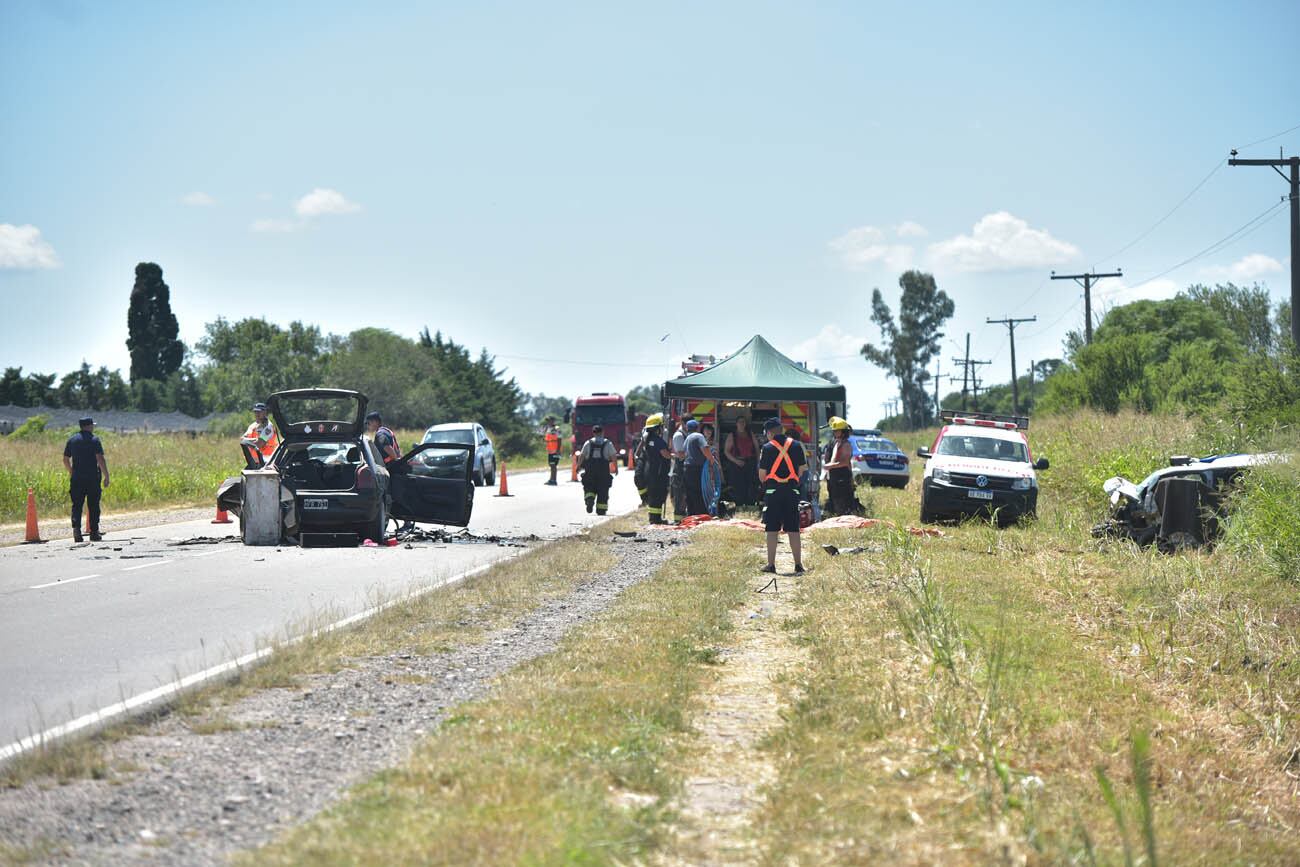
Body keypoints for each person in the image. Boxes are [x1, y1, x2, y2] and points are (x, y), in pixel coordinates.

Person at [758, 417, 807, 574]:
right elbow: (802, 470)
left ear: (770, 433)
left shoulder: (767, 448)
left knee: (772, 528)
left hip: (773, 492)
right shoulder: (797, 445)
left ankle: (771, 565)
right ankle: (798, 565)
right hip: (792, 491)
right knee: (793, 529)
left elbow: (762, 474)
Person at [63, 416, 110, 542]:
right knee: (93, 505)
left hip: (77, 478)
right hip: (92, 478)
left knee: (77, 505)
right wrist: (106, 476)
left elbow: (65, 459)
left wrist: (71, 471)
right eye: (92, 425)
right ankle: (94, 533)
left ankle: (76, 530)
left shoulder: (72, 440)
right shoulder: (94, 440)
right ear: (88, 426)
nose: (93, 427)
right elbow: (100, 458)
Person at [822, 416, 864, 516]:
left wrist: (830, 466)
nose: (835, 433)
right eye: (834, 431)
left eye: (837, 431)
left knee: (844, 502)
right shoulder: (835, 442)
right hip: (834, 477)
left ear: (843, 431)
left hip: (842, 478)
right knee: (834, 499)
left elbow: (844, 462)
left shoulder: (846, 445)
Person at [639, 414, 673, 524]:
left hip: (650, 471)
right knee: (658, 495)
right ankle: (656, 519)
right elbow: (666, 455)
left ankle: (653, 518)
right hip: (659, 472)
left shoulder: (647, 440)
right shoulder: (658, 441)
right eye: (661, 427)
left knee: (653, 495)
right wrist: (674, 455)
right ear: (657, 428)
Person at [579, 424, 619, 515]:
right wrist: (616, 468)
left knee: (589, 487)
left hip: (590, 471)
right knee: (603, 490)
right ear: (602, 432)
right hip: (603, 472)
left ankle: (590, 499)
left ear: (593, 433)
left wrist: (578, 466)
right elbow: (613, 456)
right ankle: (601, 509)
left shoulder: (588, 443)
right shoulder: (608, 443)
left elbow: (582, 456)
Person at [682, 419, 717, 516]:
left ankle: (691, 514)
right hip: (697, 469)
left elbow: (683, 453)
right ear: (697, 428)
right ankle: (701, 515)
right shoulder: (699, 436)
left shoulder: (687, 438)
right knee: (699, 492)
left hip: (687, 469)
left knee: (690, 493)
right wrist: (711, 459)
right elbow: (705, 448)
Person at [723, 415, 760, 505]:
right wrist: (736, 461)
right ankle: (739, 506)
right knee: (738, 487)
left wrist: (758, 463)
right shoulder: (732, 435)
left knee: (752, 485)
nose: (742, 424)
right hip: (737, 464)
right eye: (740, 422)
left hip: (750, 463)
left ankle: (750, 505)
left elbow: (757, 448)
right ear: (736, 424)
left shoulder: (750, 434)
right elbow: (726, 452)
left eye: (743, 422)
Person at [669, 412, 694, 519]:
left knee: (686, 494)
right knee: (680, 495)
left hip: (686, 468)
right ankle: (678, 520)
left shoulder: (687, 434)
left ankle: (684, 517)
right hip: (679, 469)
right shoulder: (679, 435)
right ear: (683, 423)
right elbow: (680, 455)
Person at [241, 402, 279, 466]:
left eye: (259, 412)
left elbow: (259, 443)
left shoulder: (268, 427)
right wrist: (253, 440)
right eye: (255, 412)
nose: (256, 414)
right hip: (253, 461)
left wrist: (247, 440)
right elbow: (242, 439)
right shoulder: (253, 426)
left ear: (265, 413)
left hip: (266, 461)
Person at [543, 419, 562, 485]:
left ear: (553, 421)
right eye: (548, 421)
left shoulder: (557, 429)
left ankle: (554, 480)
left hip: (556, 450)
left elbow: (559, 439)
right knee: (551, 465)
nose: (548, 422)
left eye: (550, 421)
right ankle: (551, 479)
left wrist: (558, 450)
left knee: (553, 465)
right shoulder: (548, 429)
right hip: (550, 450)